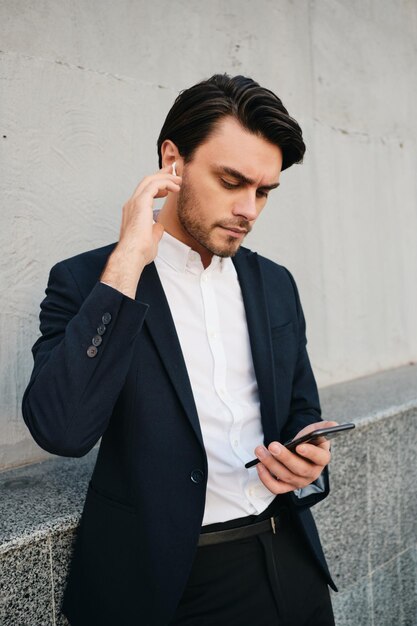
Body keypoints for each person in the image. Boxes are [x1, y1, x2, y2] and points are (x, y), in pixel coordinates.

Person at [22, 74, 338, 626]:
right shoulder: (86, 282)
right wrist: (125, 265)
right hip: (171, 585)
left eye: (263, 191)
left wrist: (306, 456)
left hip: (290, 559)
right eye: (231, 180)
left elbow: (299, 410)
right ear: (173, 161)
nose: (250, 209)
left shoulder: (276, 284)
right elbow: (62, 430)